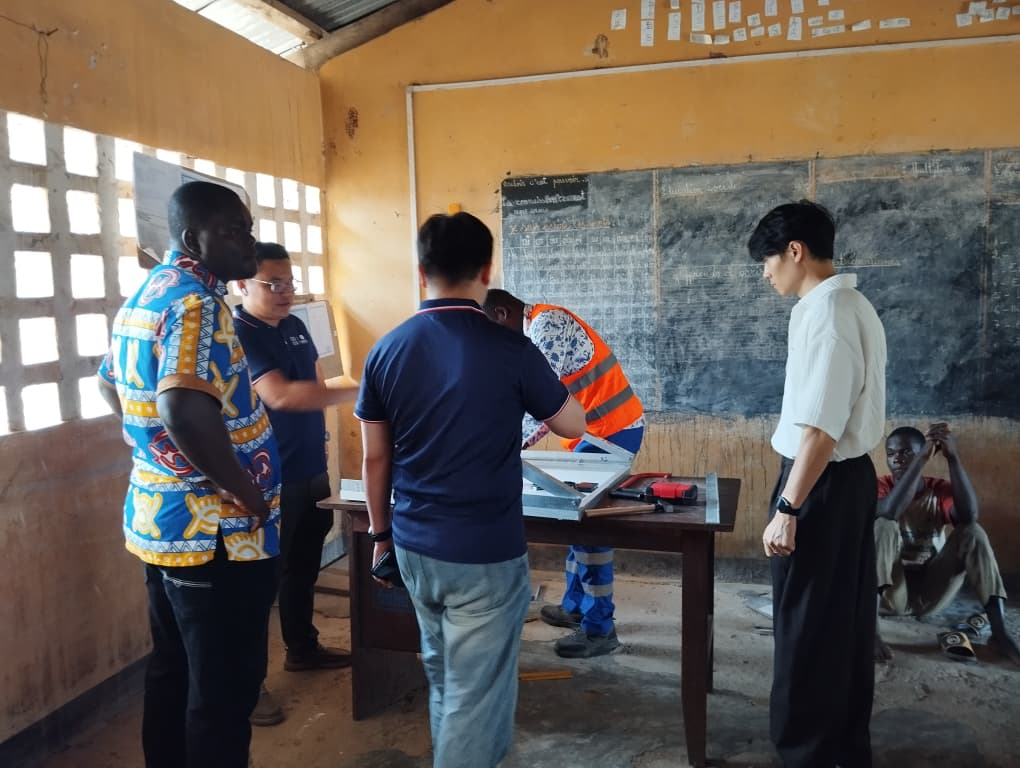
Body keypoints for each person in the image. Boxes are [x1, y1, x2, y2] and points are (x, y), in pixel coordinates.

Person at [356, 212, 585, 768]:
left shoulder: (386, 350)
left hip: (412, 546)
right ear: (487, 270)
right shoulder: (510, 349)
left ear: (420, 272)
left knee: (443, 672)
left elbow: (374, 457)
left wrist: (381, 536)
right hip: (485, 553)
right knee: (476, 698)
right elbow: (572, 425)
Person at [96, 181, 281, 768]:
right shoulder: (197, 304)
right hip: (214, 533)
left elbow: (109, 381)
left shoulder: (151, 292)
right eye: (231, 231)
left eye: (247, 227)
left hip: (162, 522)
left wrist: (154, 451)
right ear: (190, 239)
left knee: (173, 670)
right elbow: (181, 406)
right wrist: (243, 489)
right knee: (223, 689)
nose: (247, 241)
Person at [749, 200, 886, 768]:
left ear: (796, 252)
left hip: (820, 482)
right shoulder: (849, 305)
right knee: (844, 621)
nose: (765, 271)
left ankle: (807, 752)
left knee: (805, 623)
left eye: (768, 259)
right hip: (846, 480)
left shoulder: (828, 314)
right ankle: (843, 747)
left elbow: (821, 430)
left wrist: (788, 507)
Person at [233, 242, 360, 725]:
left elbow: (319, 388)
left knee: (303, 567)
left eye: (289, 282)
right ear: (243, 284)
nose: (285, 292)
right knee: (258, 585)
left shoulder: (296, 326)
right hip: (267, 480)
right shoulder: (239, 334)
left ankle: (302, 647)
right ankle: (248, 688)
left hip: (310, 469)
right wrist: (370, 389)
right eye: (273, 283)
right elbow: (282, 396)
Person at [483, 289, 644, 659]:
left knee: (589, 531)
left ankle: (600, 628)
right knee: (575, 521)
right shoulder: (538, 326)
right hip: (596, 435)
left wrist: (501, 449)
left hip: (612, 433)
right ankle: (576, 607)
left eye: (489, 331)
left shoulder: (547, 326)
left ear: (504, 314)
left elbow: (543, 404)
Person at [874, 423, 1020, 665]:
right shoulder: (880, 486)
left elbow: (968, 516)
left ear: (925, 453)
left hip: (932, 592)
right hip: (893, 595)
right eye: (891, 453)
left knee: (972, 532)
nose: (897, 459)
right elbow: (889, 510)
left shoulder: (938, 489)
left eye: (907, 452)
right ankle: (870, 632)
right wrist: (919, 461)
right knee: (883, 526)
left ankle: (1000, 633)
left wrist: (953, 458)